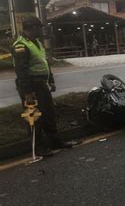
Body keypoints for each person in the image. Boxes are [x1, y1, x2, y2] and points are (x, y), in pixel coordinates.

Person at [11, 17, 78, 157]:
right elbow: (21, 71)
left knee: (49, 114)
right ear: (31, 27)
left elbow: (44, 63)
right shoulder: (20, 45)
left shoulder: (37, 43)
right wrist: (28, 92)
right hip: (31, 87)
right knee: (34, 117)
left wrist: (51, 80)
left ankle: (55, 142)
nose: (41, 30)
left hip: (42, 84)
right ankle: (39, 148)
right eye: (39, 27)